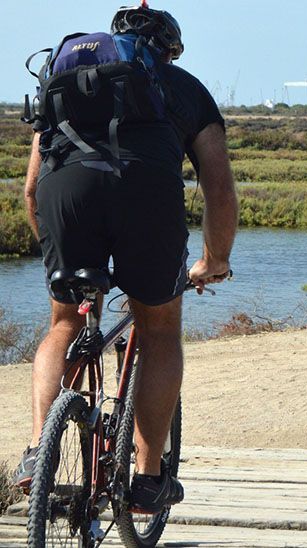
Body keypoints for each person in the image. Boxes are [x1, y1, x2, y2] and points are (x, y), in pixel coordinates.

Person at [14, 3, 238, 515]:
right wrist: (215, 259)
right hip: (146, 192)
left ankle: (35, 453)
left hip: (63, 193)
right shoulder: (183, 86)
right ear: (169, 50)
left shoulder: (66, 75)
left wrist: (56, 259)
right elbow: (218, 187)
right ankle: (147, 480)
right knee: (157, 330)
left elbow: (30, 187)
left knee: (65, 321)